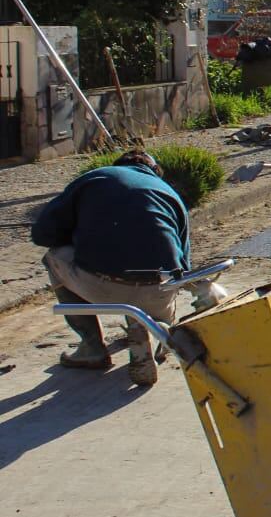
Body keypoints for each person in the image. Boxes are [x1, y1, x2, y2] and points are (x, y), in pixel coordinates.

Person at [32, 150, 191, 386]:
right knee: (158, 285)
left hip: (103, 286)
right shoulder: (169, 193)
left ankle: (91, 346)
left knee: (55, 256)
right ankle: (155, 332)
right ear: (155, 171)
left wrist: (78, 233)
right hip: (159, 290)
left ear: (119, 165)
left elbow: (43, 234)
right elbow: (184, 263)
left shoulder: (96, 178)